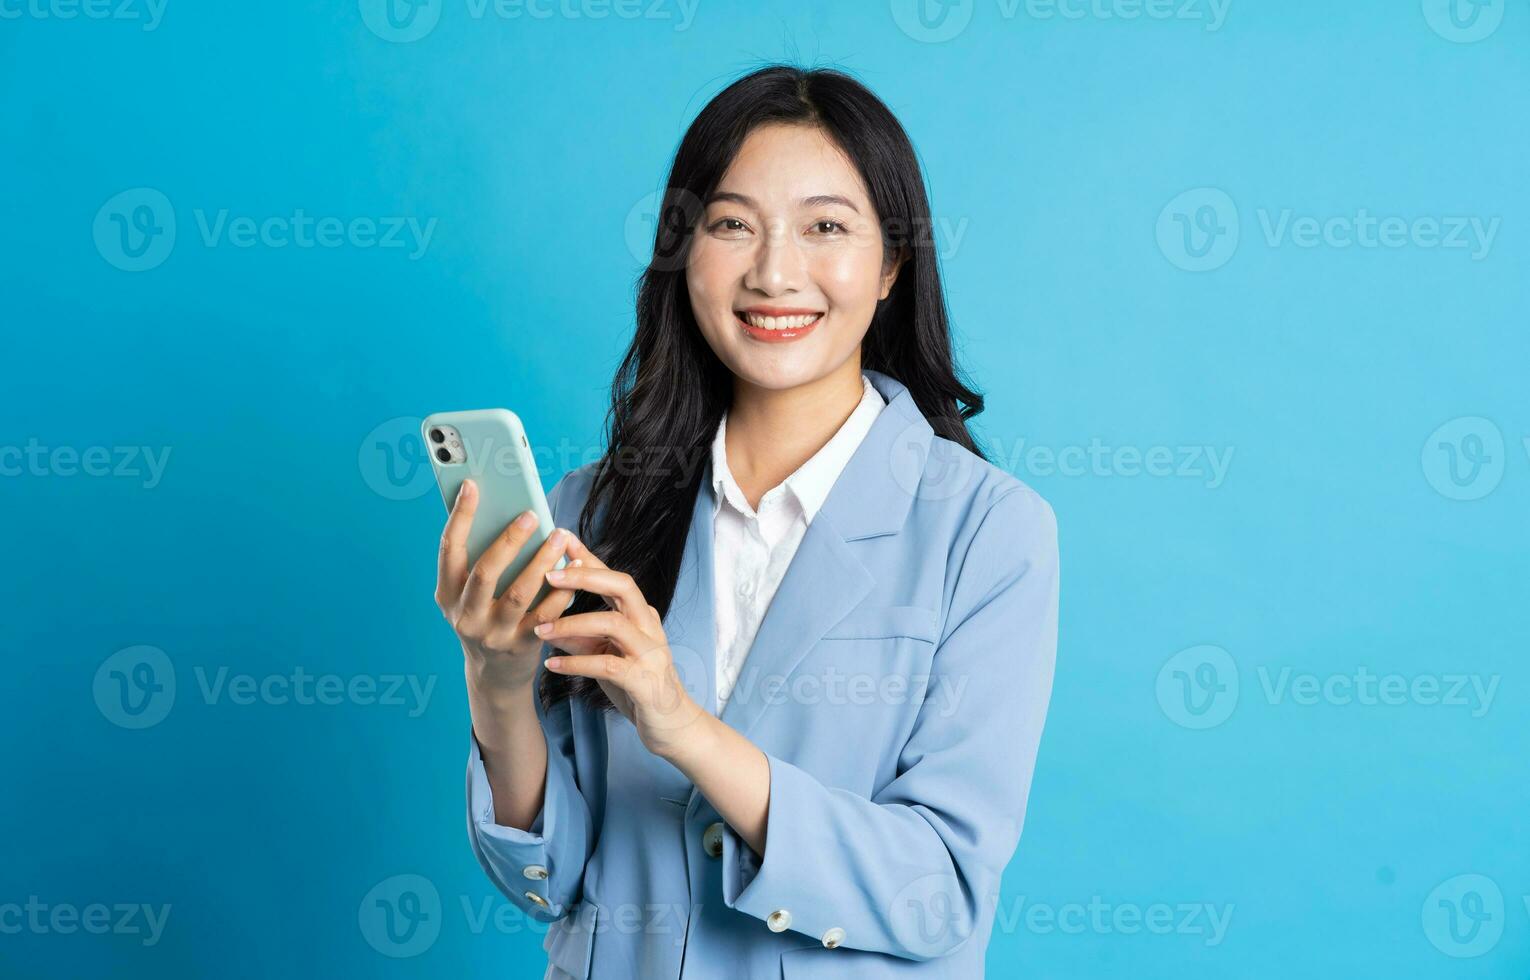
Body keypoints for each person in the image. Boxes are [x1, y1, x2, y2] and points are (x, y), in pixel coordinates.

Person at [434, 63, 1059, 979]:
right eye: (732, 224)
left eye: (825, 228)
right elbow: (548, 874)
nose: (774, 272)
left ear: (891, 264)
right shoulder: (591, 511)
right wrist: (494, 679)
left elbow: (942, 889)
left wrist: (682, 727)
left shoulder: (988, 534)